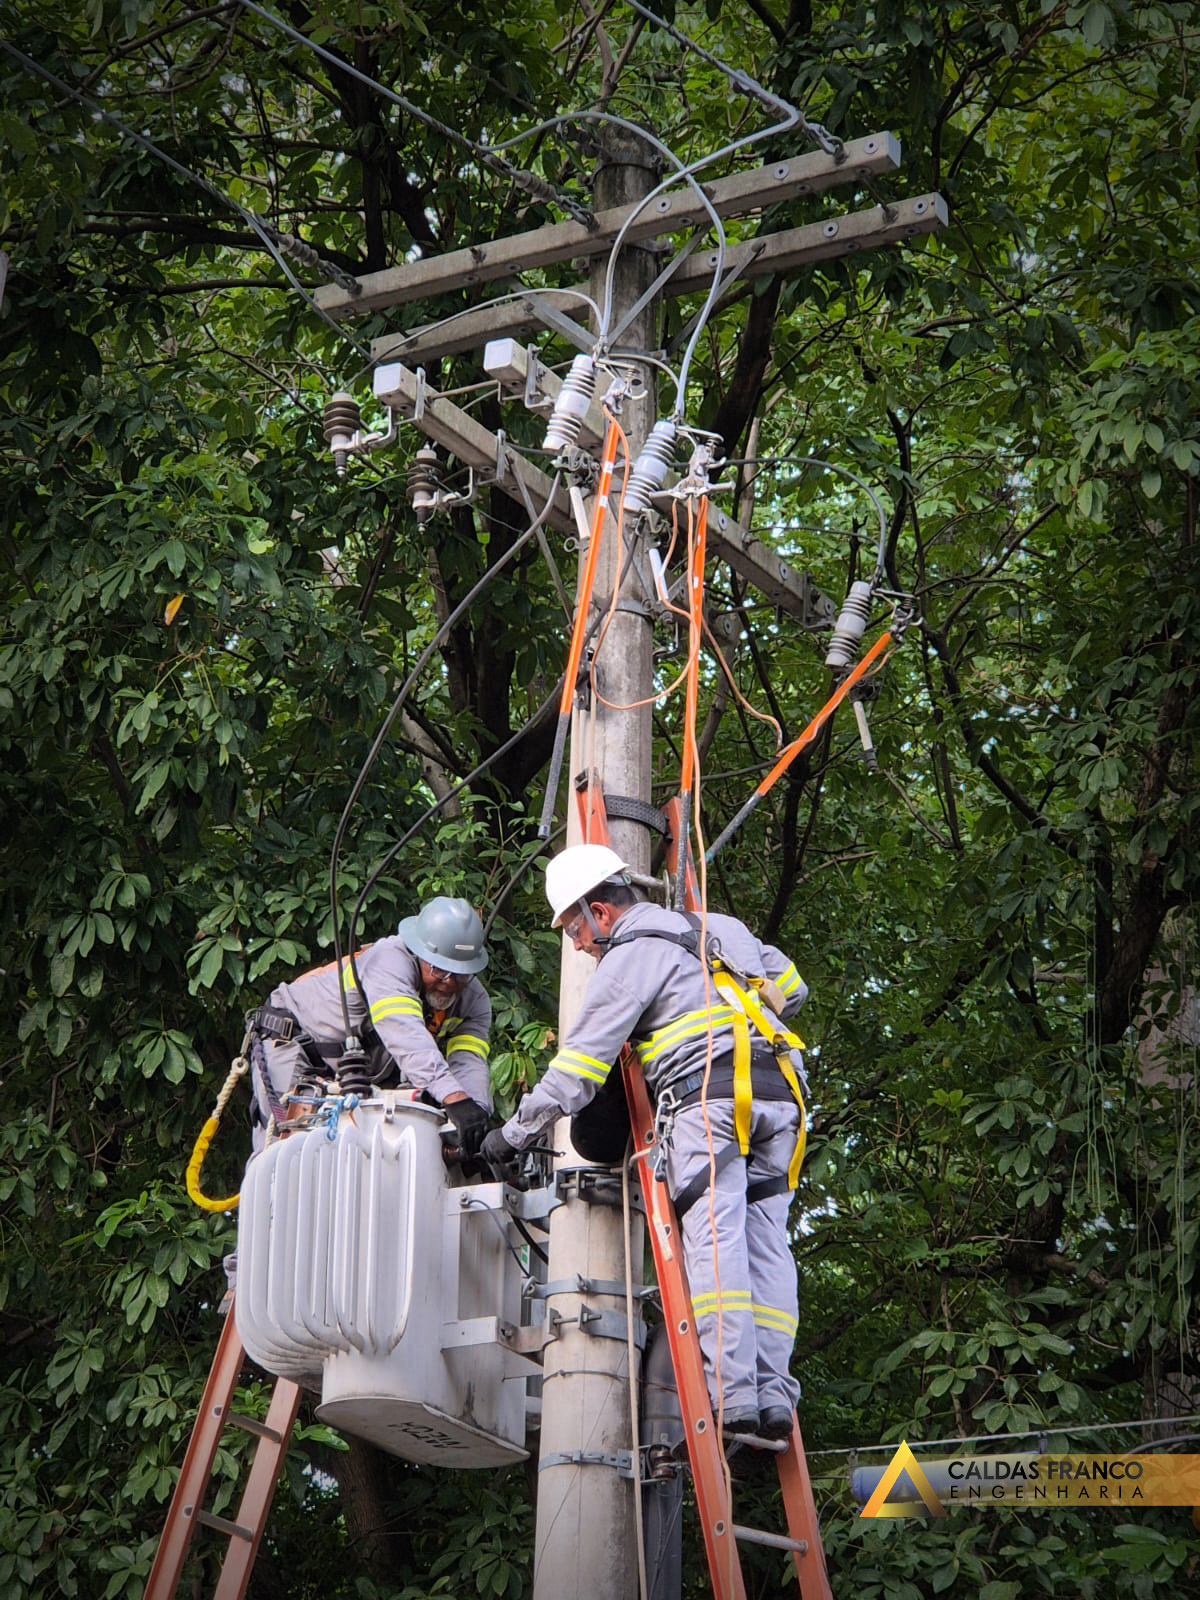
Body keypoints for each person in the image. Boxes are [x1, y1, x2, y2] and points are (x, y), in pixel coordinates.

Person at [481, 844, 809, 1442]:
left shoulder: (630, 956)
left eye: (575, 928)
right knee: (767, 1246)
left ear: (602, 912)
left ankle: (734, 1399)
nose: (577, 945)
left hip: (707, 1099)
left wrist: (516, 1132)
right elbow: (793, 988)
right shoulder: (720, 927)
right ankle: (773, 1397)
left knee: (716, 1241)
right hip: (779, 1097)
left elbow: (579, 1069)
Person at [247, 895, 494, 1156]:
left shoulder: (474, 1001)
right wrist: (454, 1097)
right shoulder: (389, 961)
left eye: (460, 973)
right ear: (419, 953)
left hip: (356, 1071)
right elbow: (405, 1034)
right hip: (294, 1045)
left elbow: (469, 1061)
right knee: (283, 1151)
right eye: (439, 970)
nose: (449, 982)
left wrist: (475, 1117)